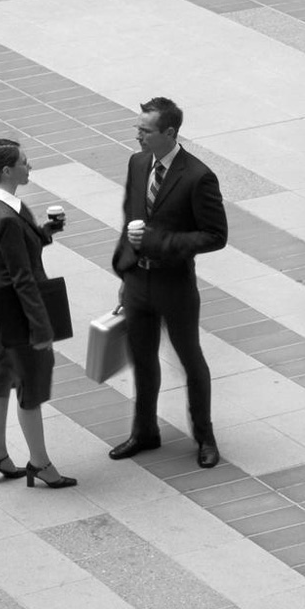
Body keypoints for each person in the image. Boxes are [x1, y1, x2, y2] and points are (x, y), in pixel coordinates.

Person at [110, 97, 228, 469]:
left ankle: (205, 437)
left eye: (145, 131)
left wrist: (160, 243)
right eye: (138, 129)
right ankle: (145, 431)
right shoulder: (137, 162)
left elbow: (215, 235)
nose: (138, 136)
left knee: (190, 359)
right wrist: (125, 269)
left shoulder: (197, 176)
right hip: (137, 282)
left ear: (169, 133)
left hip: (174, 284)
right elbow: (132, 217)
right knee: (142, 359)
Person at [0, 138, 75, 489]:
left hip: (2, 303)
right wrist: (41, 328)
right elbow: (23, 278)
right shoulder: (6, 218)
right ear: (7, 170)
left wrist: (43, 234)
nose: (29, 166)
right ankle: (40, 463)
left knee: (2, 377)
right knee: (31, 387)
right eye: (24, 162)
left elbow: (15, 254)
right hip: (20, 309)